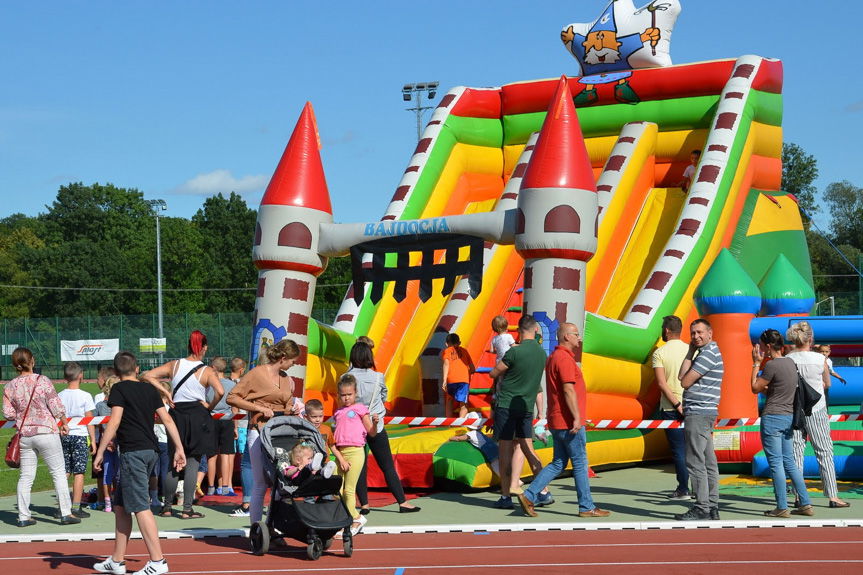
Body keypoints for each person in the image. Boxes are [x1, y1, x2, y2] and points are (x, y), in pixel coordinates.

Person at [92, 351, 186, 575]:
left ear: (116, 372)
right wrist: (179, 448)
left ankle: (158, 560)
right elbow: (166, 419)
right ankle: (117, 560)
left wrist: (100, 451)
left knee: (141, 507)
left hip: (133, 453)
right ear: (137, 369)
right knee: (121, 506)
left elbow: (114, 421)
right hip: (150, 451)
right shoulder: (149, 389)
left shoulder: (119, 389)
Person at [516, 323, 610, 518]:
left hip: (557, 420)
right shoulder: (565, 359)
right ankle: (586, 506)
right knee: (580, 463)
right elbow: (568, 390)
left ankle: (529, 495)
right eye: (576, 334)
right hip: (568, 421)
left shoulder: (554, 357)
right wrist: (576, 417)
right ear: (567, 336)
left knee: (558, 462)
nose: (579, 338)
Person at [141, 330, 223, 520]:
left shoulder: (175, 364)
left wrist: (165, 392)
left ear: (188, 346)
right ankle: (187, 509)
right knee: (193, 462)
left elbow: (147, 375)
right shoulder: (207, 370)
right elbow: (219, 391)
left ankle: (167, 507)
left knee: (174, 461)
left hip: (177, 413)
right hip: (197, 414)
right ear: (204, 348)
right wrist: (209, 406)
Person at [226, 339, 303, 525]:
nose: (294, 364)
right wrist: (258, 408)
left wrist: (292, 409)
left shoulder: (286, 379)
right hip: (259, 431)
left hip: (279, 434)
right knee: (260, 483)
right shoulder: (257, 373)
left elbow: (287, 404)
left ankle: (275, 526)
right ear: (283, 357)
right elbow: (232, 397)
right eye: (293, 361)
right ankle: (256, 528)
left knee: (281, 482)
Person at [2, 347, 80, 527]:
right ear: (32, 361)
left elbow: (8, 413)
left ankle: (23, 516)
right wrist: (64, 422)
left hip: (25, 435)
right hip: (46, 431)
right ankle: (66, 513)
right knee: (58, 473)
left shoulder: (9, 386)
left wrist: (21, 414)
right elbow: (55, 404)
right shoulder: (42, 380)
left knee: (26, 477)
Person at [349, 341, 420, 515]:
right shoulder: (378, 377)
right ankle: (402, 502)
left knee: (360, 465)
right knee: (387, 465)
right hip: (375, 424)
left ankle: (364, 505)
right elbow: (383, 397)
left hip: (355, 426)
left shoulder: (346, 377)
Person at [751, 329, 814, 517]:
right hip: (788, 417)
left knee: (776, 463)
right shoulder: (790, 363)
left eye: (762, 346)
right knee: (789, 462)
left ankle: (782, 506)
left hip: (772, 416)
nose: (761, 349)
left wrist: (756, 363)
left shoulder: (771, 365)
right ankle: (805, 503)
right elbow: (778, 389)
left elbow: (754, 387)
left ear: (768, 346)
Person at [787, 322, 850, 508]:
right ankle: (832, 496)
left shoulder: (788, 359)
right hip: (817, 408)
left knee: (796, 452)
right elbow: (827, 384)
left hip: (795, 409)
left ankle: (799, 496)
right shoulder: (819, 358)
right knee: (824, 451)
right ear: (810, 339)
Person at [488, 314, 547, 510]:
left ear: (519, 331)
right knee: (527, 448)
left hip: (507, 405)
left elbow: (494, 372)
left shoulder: (514, 352)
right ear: (536, 329)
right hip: (526, 406)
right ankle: (543, 490)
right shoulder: (541, 354)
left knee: (505, 450)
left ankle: (506, 496)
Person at [675, 318, 723, 521]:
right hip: (705, 412)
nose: (696, 336)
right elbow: (681, 376)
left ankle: (702, 507)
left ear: (710, 333)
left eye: (700, 332)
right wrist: (690, 351)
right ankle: (712, 506)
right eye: (693, 333)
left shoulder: (708, 354)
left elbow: (685, 382)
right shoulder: (707, 352)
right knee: (708, 461)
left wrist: (691, 353)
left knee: (695, 461)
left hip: (699, 412)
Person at [332, 374, 379, 536]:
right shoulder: (338, 412)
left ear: (355, 393)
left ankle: (356, 518)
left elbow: (371, 432)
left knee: (349, 490)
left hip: (355, 451)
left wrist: (375, 423)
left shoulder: (360, 409)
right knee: (336, 489)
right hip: (341, 453)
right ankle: (347, 519)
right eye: (343, 395)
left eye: (349, 394)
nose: (346, 398)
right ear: (338, 395)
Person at [651, 315, 690, 499]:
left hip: (670, 408)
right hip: (692, 404)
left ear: (666, 330)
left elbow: (661, 383)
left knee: (679, 450)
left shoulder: (660, 353)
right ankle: (700, 488)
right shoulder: (691, 350)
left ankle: (683, 488)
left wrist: (676, 403)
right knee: (696, 449)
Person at [58, 361, 97, 518]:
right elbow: (89, 420)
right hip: (80, 436)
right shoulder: (85, 396)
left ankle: (62, 507)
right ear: (81, 375)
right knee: (79, 472)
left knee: (64, 471)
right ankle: (75, 507)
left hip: (64, 435)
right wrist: (93, 440)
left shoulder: (60, 395)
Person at [205, 356, 238, 497]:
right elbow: (235, 408)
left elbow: (204, 403)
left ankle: (211, 487)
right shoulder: (231, 385)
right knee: (225, 454)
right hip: (227, 420)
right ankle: (225, 487)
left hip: (212, 420)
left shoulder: (208, 386)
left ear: (213, 368)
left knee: (211, 455)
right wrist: (235, 426)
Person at [228, 357, 252, 517]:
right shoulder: (243, 384)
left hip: (241, 425)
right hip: (243, 425)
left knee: (242, 461)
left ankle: (246, 500)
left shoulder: (228, 383)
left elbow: (234, 407)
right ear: (242, 369)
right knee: (245, 462)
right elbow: (235, 408)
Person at [93, 376, 121, 512]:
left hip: (107, 442)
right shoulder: (120, 406)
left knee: (108, 473)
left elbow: (94, 424)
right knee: (117, 473)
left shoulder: (100, 406)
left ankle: (108, 502)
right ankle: (115, 501)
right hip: (116, 442)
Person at [440, 333, 476, 419]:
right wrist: (466, 373)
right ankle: (460, 422)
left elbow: (446, 364)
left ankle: (449, 422)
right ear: (459, 342)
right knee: (463, 404)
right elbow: (472, 368)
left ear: (446, 344)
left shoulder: (446, 351)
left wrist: (444, 380)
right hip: (463, 380)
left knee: (449, 400)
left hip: (451, 379)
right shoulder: (465, 351)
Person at [489, 315, 515, 399]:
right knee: (510, 377)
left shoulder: (494, 339)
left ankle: (497, 395)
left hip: (499, 362)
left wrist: (498, 351)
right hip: (509, 360)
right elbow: (513, 346)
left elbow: (491, 351)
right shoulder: (508, 336)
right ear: (506, 326)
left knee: (500, 380)